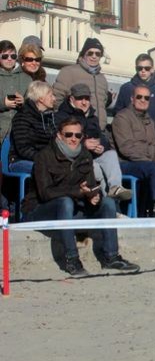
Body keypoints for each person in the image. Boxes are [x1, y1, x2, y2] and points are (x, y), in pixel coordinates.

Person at [22, 117, 139, 276]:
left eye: (78, 135)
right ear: (59, 135)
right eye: (68, 134)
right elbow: (45, 193)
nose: (73, 139)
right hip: (39, 210)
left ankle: (111, 257)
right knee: (65, 202)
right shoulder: (44, 156)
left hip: (73, 209)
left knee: (108, 203)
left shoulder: (84, 155)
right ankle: (72, 259)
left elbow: (90, 185)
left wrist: (94, 195)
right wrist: (78, 192)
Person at [112, 85, 155, 217]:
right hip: (126, 163)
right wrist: (153, 158)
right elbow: (127, 149)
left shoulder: (150, 120)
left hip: (147, 162)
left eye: (146, 98)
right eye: (139, 97)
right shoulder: (122, 118)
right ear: (132, 99)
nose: (143, 100)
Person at [54, 83, 131, 201]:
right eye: (80, 99)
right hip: (74, 159)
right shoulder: (62, 116)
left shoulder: (92, 118)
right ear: (71, 99)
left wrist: (101, 146)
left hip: (92, 156)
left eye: (87, 99)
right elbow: (61, 141)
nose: (84, 102)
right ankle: (110, 205)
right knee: (98, 169)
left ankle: (115, 187)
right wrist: (83, 144)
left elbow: (102, 138)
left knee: (111, 155)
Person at [53, 38, 110, 131]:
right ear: (84, 54)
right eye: (90, 53)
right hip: (75, 130)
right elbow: (56, 99)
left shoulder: (102, 78)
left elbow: (103, 103)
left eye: (98, 54)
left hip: (98, 129)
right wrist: (64, 123)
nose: (94, 56)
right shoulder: (69, 72)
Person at [8, 81, 56, 173]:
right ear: (41, 99)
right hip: (20, 161)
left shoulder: (49, 118)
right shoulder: (22, 117)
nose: (54, 98)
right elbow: (23, 149)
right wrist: (45, 159)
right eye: (51, 96)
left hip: (43, 160)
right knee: (51, 170)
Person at [114, 53, 155, 125]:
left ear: (152, 69)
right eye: (140, 68)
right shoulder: (126, 88)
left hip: (152, 129)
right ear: (136, 69)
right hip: (130, 129)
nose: (143, 71)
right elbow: (118, 112)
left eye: (147, 68)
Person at [0, 39, 31, 141]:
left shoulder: (26, 78)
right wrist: (3, 103)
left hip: (18, 133)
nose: (9, 59)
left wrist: (23, 102)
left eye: (13, 56)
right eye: (5, 56)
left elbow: (34, 106)